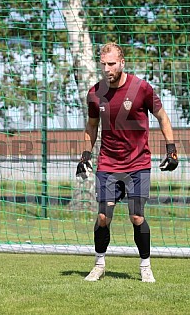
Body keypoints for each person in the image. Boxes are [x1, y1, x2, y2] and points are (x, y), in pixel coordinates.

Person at [76, 42, 178, 282]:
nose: (107, 69)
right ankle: (99, 264)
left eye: (111, 64)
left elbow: (163, 117)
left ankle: (145, 266)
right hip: (108, 164)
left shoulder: (141, 89)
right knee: (103, 216)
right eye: (103, 64)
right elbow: (92, 126)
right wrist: (85, 155)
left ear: (122, 63)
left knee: (136, 216)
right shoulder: (95, 93)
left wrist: (171, 149)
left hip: (138, 163)